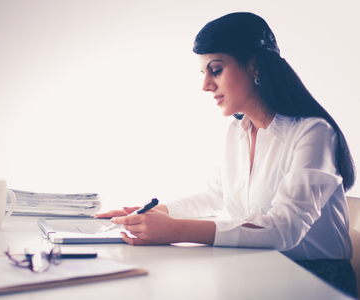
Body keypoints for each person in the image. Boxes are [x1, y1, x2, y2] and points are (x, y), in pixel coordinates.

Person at [96, 12, 357, 297]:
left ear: (254, 65)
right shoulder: (238, 132)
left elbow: (285, 228)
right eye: (204, 73)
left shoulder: (313, 133)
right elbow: (215, 196)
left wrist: (176, 230)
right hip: (257, 267)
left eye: (216, 70)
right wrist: (150, 213)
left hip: (315, 280)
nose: (206, 85)